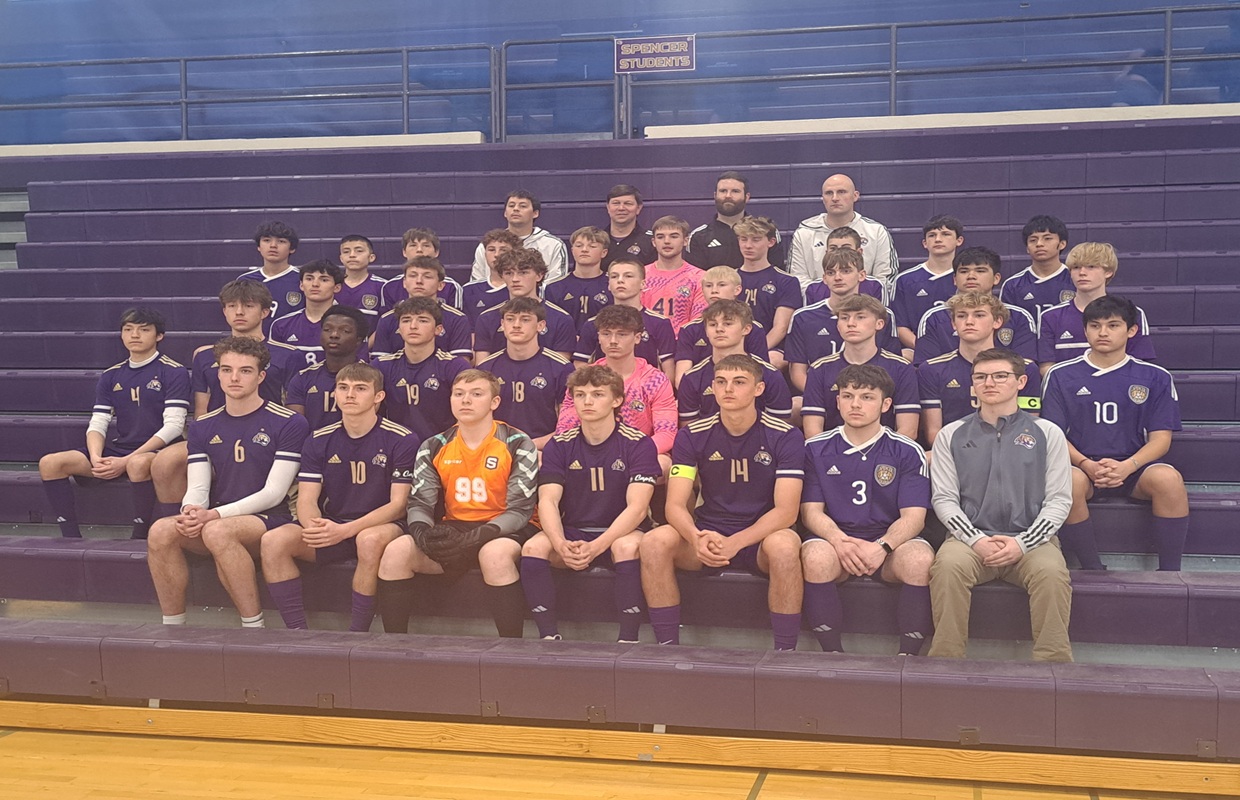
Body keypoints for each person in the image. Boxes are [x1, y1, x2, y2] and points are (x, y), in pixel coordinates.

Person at [640, 354, 805, 650]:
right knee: (654, 542)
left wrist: (737, 542)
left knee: (785, 546)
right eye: (721, 382)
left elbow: (786, 511)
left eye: (739, 382)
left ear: (758, 389)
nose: (728, 389)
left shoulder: (786, 436)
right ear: (713, 389)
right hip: (709, 533)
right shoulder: (692, 435)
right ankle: (666, 646)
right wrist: (696, 537)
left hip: (761, 537)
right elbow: (675, 505)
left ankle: (785, 650)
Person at [146, 336, 309, 628]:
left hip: (273, 517)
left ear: (261, 376)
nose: (234, 377)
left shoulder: (288, 422)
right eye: (226, 369)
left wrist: (213, 516)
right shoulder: (203, 425)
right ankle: (173, 626)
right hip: (217, 516)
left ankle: (252, 628)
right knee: (161, 530)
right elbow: (198, 487)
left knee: (218, 532)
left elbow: (274, 493)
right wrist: (192, 511)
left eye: (245, 371)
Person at [928, 348, 1074, 663]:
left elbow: (1060, 499)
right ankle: (945, 661)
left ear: (1021, 381)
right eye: (980, 377)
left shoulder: (1047, 433)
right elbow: (944, 499)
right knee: (948, 567)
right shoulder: (950, 435)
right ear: (972, 386)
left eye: (1000, 376)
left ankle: (1054, 665)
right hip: (969, 541)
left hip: (1032, 540)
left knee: (1052, 573)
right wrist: (976, 540)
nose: (989, 383)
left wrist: (1023, 543)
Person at [375, 370, 539, 638]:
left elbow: (520, 511)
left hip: (508, 526)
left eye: (476, 394)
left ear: (494, 402)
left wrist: (478, 537)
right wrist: (421, 534)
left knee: (494, 555)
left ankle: (512, 646)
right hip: (457, 524)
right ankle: (394, 647)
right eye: (459, 394)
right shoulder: (434, 445)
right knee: (396, 552)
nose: (466, 400)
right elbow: (420, 503)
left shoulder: (517, 442)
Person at [262, 362, 418, 632]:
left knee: (368, 541)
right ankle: (297, 633)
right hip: (334, 523)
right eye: (343, 388)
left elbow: (398, 504)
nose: (350, 395)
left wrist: (346, 531)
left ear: (378, 397)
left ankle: (357, 635)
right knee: (274, 541)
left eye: (360, 389)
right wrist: (316, 527)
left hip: (381, 526)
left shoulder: (401, 439)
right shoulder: (318, 439)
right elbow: (307, 499)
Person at [1042, 296, 1188, 572]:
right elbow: (1053, 434)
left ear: (1131, 330)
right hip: (1082, 466)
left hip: (1134, 468)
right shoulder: (1060, 375)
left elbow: (1161, 439)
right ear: (1085, 331)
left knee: (1169, 479)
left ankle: (1170, 571)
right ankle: (1092, 568)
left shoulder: (1155, 376)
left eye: (1113, 325)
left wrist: (1127, 466)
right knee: (1067, 481)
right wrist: (1086, 464)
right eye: (1095, 326)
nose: (1103, 332)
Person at [521, 366, 661, 641]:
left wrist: (598, 545)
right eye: (580, 395)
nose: (587, 401)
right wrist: (560, 543)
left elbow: (638, 508)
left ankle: (628, 638)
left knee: (625, 546)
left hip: (623, 530)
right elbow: (548, 500)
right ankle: (548, 636)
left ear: (616, 400)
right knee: (534, 546)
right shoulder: (559, 444)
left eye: (597, 394)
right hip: (575, 528)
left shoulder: (638, 443)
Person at [801, 364, 932, 655]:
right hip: (837, 542)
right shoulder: (814, 448)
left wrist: (882, 546)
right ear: (837, 402)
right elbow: (811, 511)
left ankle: (907, 657)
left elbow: (914, 517)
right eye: (847, 396)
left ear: (886, 404)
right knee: (815, 556)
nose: (855, 404)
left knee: (920, 559)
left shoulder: (906, 450)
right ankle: (832, 654)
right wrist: (840, 542)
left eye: (867, 397)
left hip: (889, 546)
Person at [40, 307, 190, 540]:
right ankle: (70, 537)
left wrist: (125, 461)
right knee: (50, 463)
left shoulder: (174, 371)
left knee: (138, 464)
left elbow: (173, 426)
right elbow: (98, 422)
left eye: (144, 329)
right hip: (122, 447)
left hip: (160, 449)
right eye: (128, 329)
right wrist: (96, 456)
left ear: (159, 336)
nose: (135, 335)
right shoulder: (111, 375)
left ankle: (139, 536)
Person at [151, 281, 299, 514]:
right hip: (217, 433)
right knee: (164, 462)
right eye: (232, 306)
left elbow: (293, 407)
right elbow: (202, 409)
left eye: (248, 306)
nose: (239, 312)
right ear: (224, 311)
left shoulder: (288, 355)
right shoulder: (204, 356)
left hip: (265, 435)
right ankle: (175, 524)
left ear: (264, 312)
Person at [557, 304, 677, 475]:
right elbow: (564, 429)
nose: (613, 341)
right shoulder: (583, 379)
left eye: (621, 334)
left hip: (638, 454)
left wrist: (629, 453)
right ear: (598, 337)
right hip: (589, 453)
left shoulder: (654, 380)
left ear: (637, 337)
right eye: (606, 334)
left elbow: (667, 433)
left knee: (663, 463)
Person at [919, 291, 1042, 446]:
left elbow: (1029, 426)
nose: (969, 322)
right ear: (953, 324)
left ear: (997, 321)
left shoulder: (1025, 369)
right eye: (962, 316)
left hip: (1012, 451)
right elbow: (933, 433)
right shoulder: (931, 369)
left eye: (979, 315)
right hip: (955, 451)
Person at [802, 294, 918, 440]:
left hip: (885, 456)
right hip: (832, 456)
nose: (851, 323)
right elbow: (813, 431)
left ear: (879, 324)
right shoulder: (819, 369)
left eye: (860, 317)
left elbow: (908, 429)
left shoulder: (901, 368)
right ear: (838, 326)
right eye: (844, 318)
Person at [786, 248, 900, 393]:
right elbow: (797, 373)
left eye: (846, 271)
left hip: (870, 394)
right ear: (824, 279)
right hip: (820, 393)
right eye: (831, 273)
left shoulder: (882, 315)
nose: (838, 277)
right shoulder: (803, 317)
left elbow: (892, 365)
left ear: (861, 275)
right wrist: (823, 397)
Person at [1037, 242, 1155, 373]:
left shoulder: (1132, 313)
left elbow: (1140, 364)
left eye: (1091, 267)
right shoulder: (1050, 316)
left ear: (1108, 272)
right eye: (1076, 267)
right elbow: (1046, 368)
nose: (1082, 273)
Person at [479, 297, 576, 449]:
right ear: (502, 324)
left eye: (525, 320)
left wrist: (530, 446)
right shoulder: (486, 368)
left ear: (540, 325)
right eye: (510, 319)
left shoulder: (562, 368)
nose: (516, 325)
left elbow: (568, 425)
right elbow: (477, 419)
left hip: (545, 450)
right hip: (495, 449)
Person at [913, 246, 1037, 364]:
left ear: (996, 278)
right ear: (955, 280)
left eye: (980, 270)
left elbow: (1025, 368)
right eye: (964, 271)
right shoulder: (934, 318)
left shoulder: (1019, 317)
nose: (971, 276)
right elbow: (927, 369)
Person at [370, 297, 469, 445]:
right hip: (393, 449)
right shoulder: (382, 366)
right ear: (399, 328)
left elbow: (467, 415)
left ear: (438, 329)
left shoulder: (455, 366)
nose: (413, 326)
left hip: (443, 449)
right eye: (406, 320)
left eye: (423, 320)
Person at [678, 300, 792, 424]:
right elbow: (689, 430)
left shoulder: (770, 375)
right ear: (706, 330)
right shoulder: (692, 378)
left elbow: (779, 429)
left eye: (727, 324)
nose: (719, 329)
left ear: (746, 329)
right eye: (712, 324)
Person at [787, 174, 899, 291]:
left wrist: (854, 299)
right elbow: (798, 280)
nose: (835, 198)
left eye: (841, 192)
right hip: (818, 305)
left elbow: (885, 280)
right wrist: (831, 299)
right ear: (823, 198)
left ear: (855, 196)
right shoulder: (804, 233)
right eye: (829, 193)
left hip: (864, 305)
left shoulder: (876, 231)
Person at [574, 257, 676, 381]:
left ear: (643, 284)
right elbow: (581, 364)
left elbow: (668, 369)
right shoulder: (593, 323)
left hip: (646, 391)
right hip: (603, 391)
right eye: (614, 276)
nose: (620, 281)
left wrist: (659, 393)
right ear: (609, 285)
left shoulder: (660, 323)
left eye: (628, 276)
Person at [472, 248, 576, 362]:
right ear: (502, 276)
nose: (515, 279)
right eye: (509, 273)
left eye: (523, 272)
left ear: (539, 276)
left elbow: (560, 367)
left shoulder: (561, 319)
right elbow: (481, 368)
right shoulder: (486, 318)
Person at [673, 266, 770, 387]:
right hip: (701, 388)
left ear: (737, 289)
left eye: (721, 285)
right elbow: (681, 377)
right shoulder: (689, 329)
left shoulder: (754, 328)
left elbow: (762, 370)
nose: (714, 290)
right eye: (708, 286)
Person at [369, 256, 472, 361]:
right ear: (404, 283)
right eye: (413, 276)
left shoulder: (457, 319)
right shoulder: (387, 319)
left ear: (440, 285)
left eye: (427, 277)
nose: (419, 281)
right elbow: (378, 365)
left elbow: (462, 366)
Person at [285, 306, 368, 431]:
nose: (334, 335)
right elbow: (296, 428)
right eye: (327, 329)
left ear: (358, 341)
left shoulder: (372, 377)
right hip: (312, 448)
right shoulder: (302, 378)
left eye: (345, 331)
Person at [734, 216, 800, 369]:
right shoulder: (729, 278)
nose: (748, 245)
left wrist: (755, 351)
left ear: (771, 242)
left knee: (771, 360)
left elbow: (780, 328)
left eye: (756, 240)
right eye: (744, 239)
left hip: (771, 348)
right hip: (733, 344)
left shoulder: (786, 281)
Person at [891, 216, 965, 353]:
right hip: (920, 354)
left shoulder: (968, 278)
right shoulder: (905, 280)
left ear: (959, 241)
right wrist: (924, 349)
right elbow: (899, 326)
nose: (938, 239)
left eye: (946, 234)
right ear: (924, 243)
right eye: (932, 235)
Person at [688, 171, 786, 269]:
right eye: (723, 191)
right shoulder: (698, 236)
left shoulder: (766, 231)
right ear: (715, 195)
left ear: (746, 197)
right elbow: (696, 279)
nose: (728, 196)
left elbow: (778, 274)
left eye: (735, 191)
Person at [469, 190, 567, 283]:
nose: (515, 209)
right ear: (505, 213)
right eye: (511, 206)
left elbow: (555, 285)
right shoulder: (487, 245)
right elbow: (477, 283)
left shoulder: (553, 245)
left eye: (523, 206)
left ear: (535, 213)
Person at [270, 259, 346, 369]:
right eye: (309, 279)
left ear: (337, 287)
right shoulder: (281, 324)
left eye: (324, 280)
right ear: (301, 285)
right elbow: (276, 368)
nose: (315, 284)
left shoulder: (351, 323)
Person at [1000, 215, 1076, 321]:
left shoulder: (1076, 279)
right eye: (1033, 240)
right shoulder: (1013, 285)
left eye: (1047, 238)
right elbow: (1008, 325)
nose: (1039, 244)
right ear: (1027, 248)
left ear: (1062, 244)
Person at [640, 216, 706, 334]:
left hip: (682, 344)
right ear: (653, 242)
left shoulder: (699, 277)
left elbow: (697, 322)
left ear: (685, 241)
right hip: (645, 343)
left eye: (674, 236)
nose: (666, 241)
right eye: (660, 237)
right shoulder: (640, 275)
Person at [543, 225, 612, 331]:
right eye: (579, 246)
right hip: (565, 344)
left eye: (592, 246)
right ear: (572, 250)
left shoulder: (612, 285)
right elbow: (551, 324)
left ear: (604, 253)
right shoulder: (554, 287)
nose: (584, 250)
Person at [238, 220, 302, 328]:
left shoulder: (302, 279)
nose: (273, 246)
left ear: (292, 248)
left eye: (281, 241)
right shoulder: (244, 280)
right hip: (253, 343)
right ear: (259, 246)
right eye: (267, 240)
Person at [381, 228, 463, 311]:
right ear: (404, 252)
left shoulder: (452, 287)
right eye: (413, 245)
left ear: (436, 252)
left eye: (426, 245)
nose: (419, 250)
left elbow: (454, 318)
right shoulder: (389, 287)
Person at [804, 227, 887, 306]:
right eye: (833, 248)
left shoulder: (875, 286)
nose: (840, 252)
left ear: (859, 252)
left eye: (846, 248)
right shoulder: (814, 289)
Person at [461, 229, 520, 323]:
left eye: (503, 250)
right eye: (491, 250)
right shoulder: (469, 290)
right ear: (485, 254)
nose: (496, 255)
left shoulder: (524, 287)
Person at [335, 235, 387, 331]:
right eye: (346, 251)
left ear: (371, 257)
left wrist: (366, 345)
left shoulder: (383, 286)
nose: (352, 255)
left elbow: (385, 324)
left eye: (359, 251)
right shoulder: (332, 285)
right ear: (341, 258)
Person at [601, 184, 655, 269]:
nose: (621, 208)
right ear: (608, 207)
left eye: (628, 203)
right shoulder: (596, 241)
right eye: (616, 203)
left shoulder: (652, 242)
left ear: (638, 208)